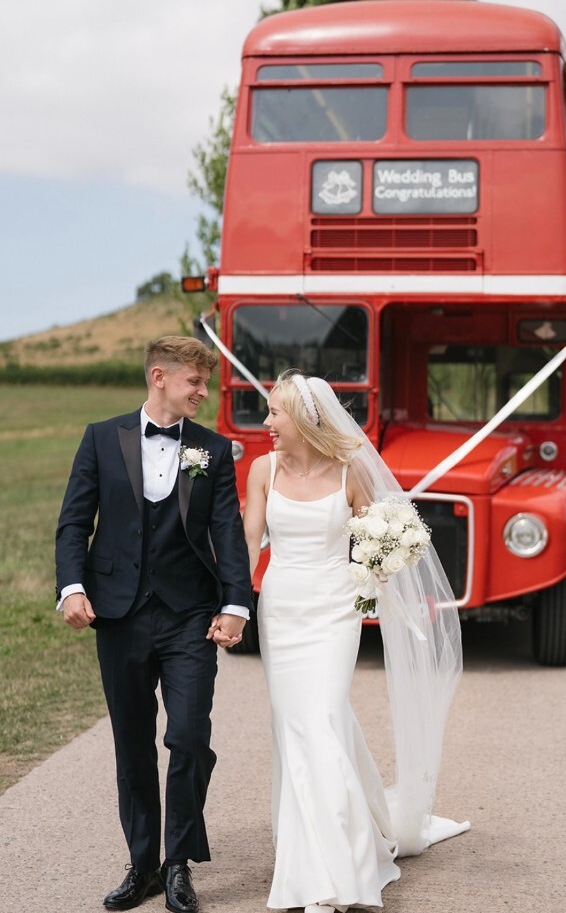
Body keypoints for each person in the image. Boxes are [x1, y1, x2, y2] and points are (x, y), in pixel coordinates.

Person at [236, 370, 467, 913]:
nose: (266, 422)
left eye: (275, 413)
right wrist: (235, 608)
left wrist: (384, 562)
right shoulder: (263, 470)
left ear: (304, 419)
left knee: (321, 718)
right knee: (299, 728)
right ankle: (315, 858)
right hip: (282, 612)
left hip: (336, 612)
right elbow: (248, 542)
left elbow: (376, 539)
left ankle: (335, 872)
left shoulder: (351, 473)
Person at [55, 336, 252, 913]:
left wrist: (236, 604)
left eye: (205, 382)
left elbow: (227, 532)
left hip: (190, 615)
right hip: (119, 614)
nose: (203, 391)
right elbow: (74, 522)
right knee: (133, 743)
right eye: (195, 381)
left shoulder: (213, 448)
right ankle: (142, 865)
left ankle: (178, 864)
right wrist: (72, 587)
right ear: (160, 377)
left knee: (188, 736)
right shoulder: (100, 437)